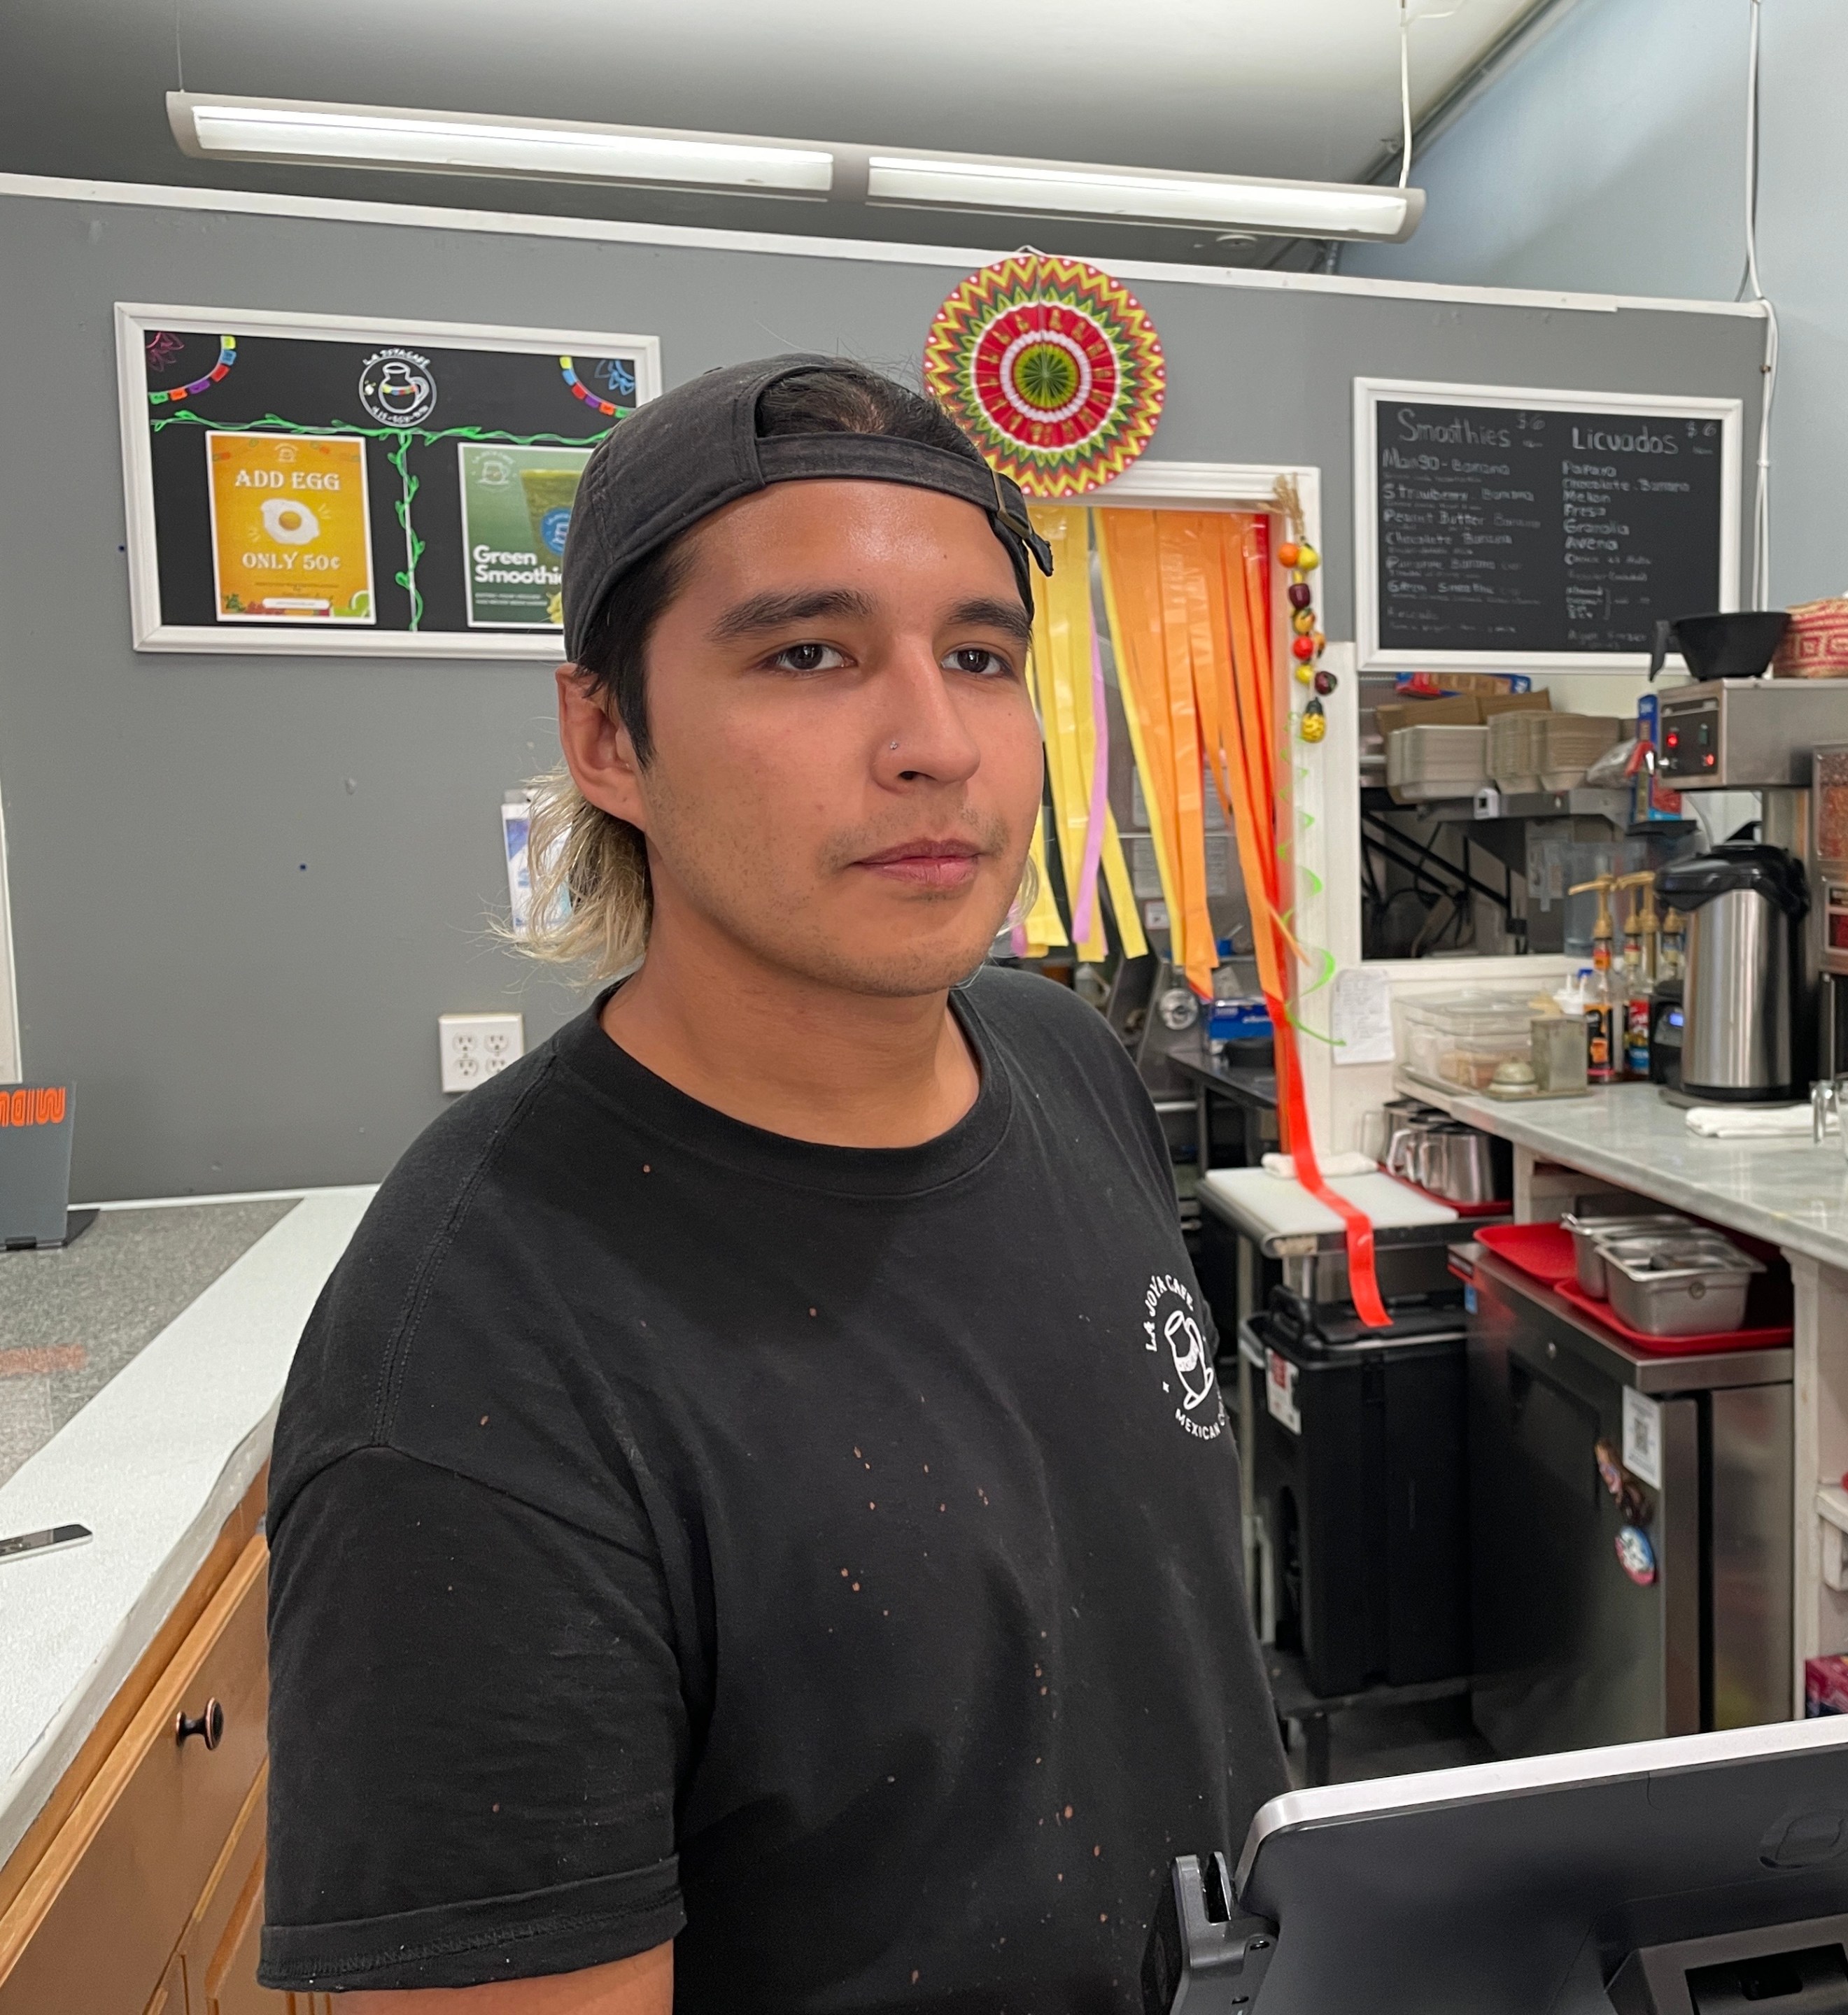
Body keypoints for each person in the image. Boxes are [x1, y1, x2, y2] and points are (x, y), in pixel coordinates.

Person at [259, 355, 1287, 2014]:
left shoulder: (1054, 1054)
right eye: (808, 655)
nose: (933, 741)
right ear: (607, 732)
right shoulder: (472, 1371)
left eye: (980, 655)